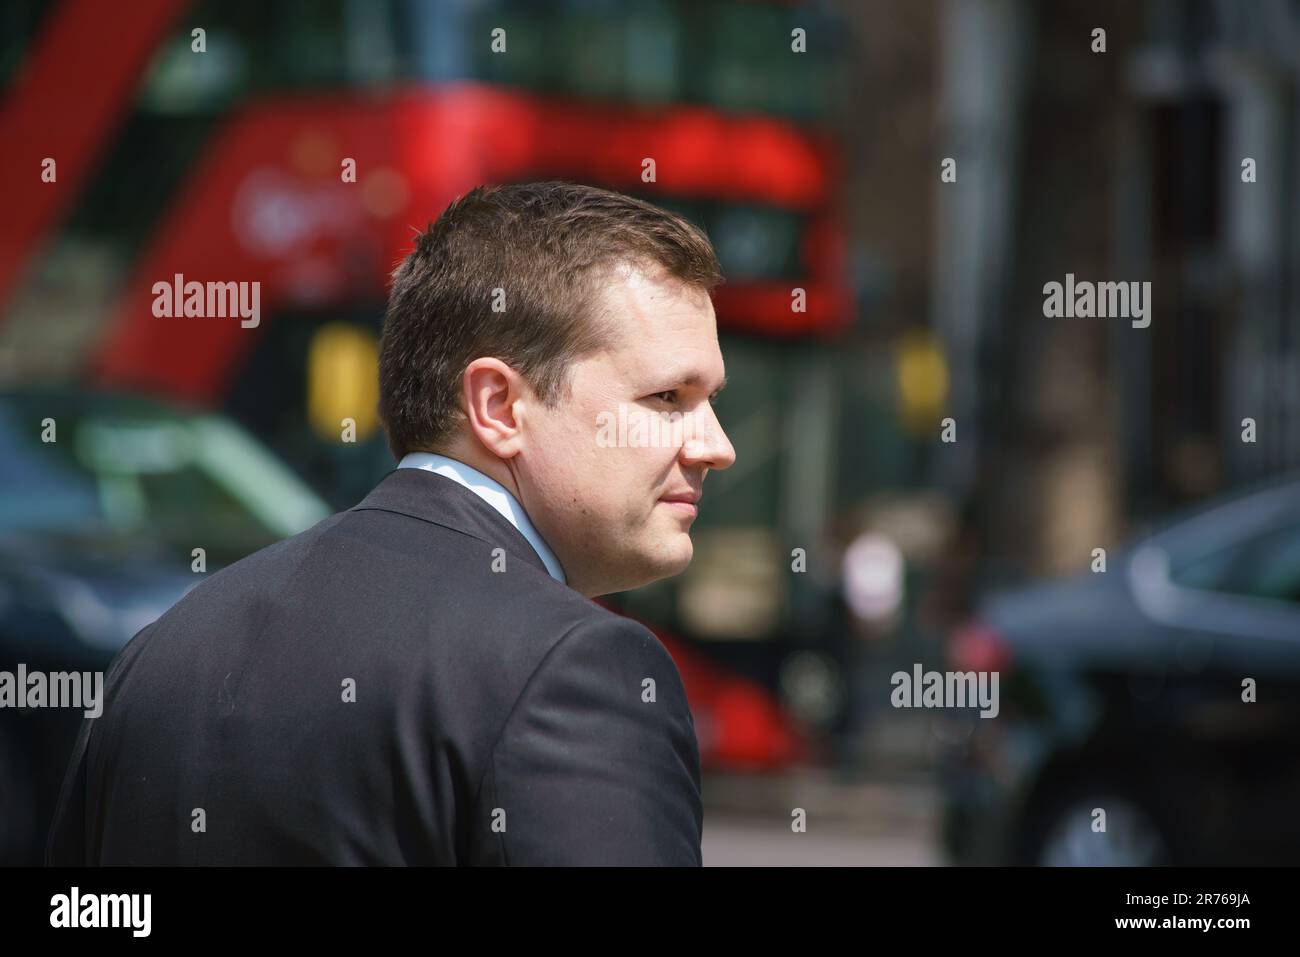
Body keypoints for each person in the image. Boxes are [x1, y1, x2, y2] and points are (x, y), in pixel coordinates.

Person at [46, 181, 736, 865]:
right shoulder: (576, 669)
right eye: (669, 397)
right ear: (498, 405)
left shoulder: (160, 652)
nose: (716, 444)